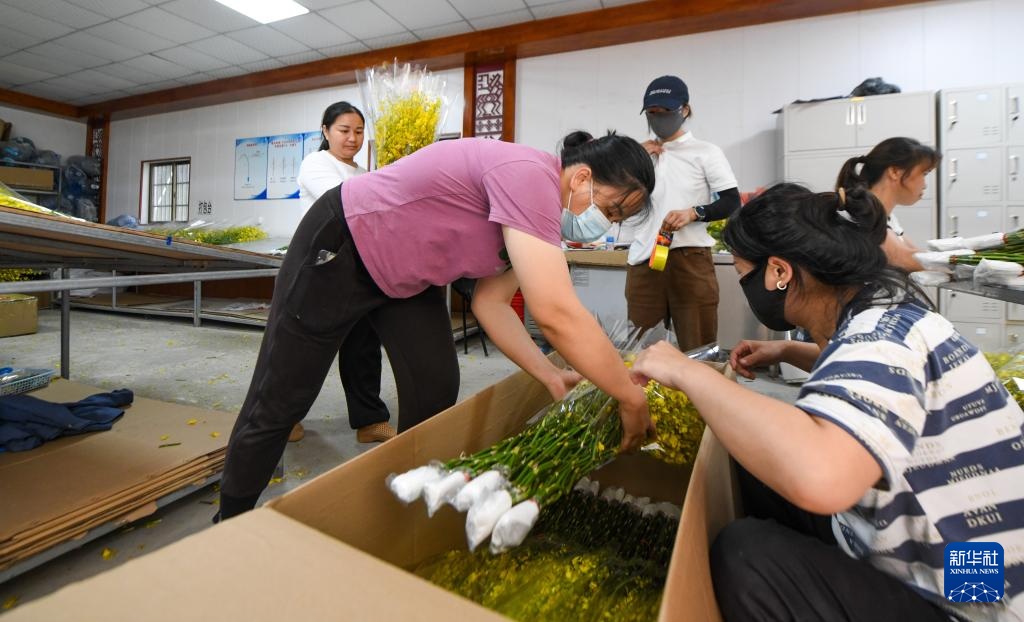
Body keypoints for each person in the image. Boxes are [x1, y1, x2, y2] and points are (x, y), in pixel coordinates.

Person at [630, 183, 1024, 621]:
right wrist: (787, 350)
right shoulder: (887, 317)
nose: (746, 286)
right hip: (948, 549)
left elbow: (822, 478)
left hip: (975, 593)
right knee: (755, 458)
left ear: (779, 272)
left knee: (746, 558)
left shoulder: (878, 343)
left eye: (744, 273)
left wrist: (689, 373)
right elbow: (864, 377)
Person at [218, 131, 658, 519]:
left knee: (434, 387)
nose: (606, 223)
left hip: (407, 278)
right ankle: (232, 516)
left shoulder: (542, 216)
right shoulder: (529, 175)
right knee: (282, 396)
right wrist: (628, 393)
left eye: (616, 219)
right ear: (581, 178)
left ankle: (401, 500)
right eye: (611, 209)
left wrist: (550, 375)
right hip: (344, 244)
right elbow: (556, 312)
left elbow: (492, 303)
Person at [292, 101, 395, 445]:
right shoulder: (316, 163)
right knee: (308, 349)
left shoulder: (365, 172)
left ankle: (370, 420)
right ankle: (284, 418)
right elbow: (343, 203)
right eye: (344, 130)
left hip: (361, 267)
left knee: (363, 346)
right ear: (325, 131)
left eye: (359, 132)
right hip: (323, 269)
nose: (352, 138)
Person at [625, 75, 740, 351]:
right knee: (641, 347)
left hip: (689, 258)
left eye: (666, 111)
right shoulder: (640, 155)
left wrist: (694, 213)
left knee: (698, 345)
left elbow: (731, 201)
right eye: (652, 112)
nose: (659, 118)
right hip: (645, 258)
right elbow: (620, 199)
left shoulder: (706, 152)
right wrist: (634, 160)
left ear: (685, 110)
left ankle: (699, 381)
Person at [836, 137, 940, 273]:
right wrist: (960, 260)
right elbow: (903, 259)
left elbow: (911, 251)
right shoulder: (862, 213)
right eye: (924, 174)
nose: (925, 185)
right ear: (895, 172)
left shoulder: (888, 217)